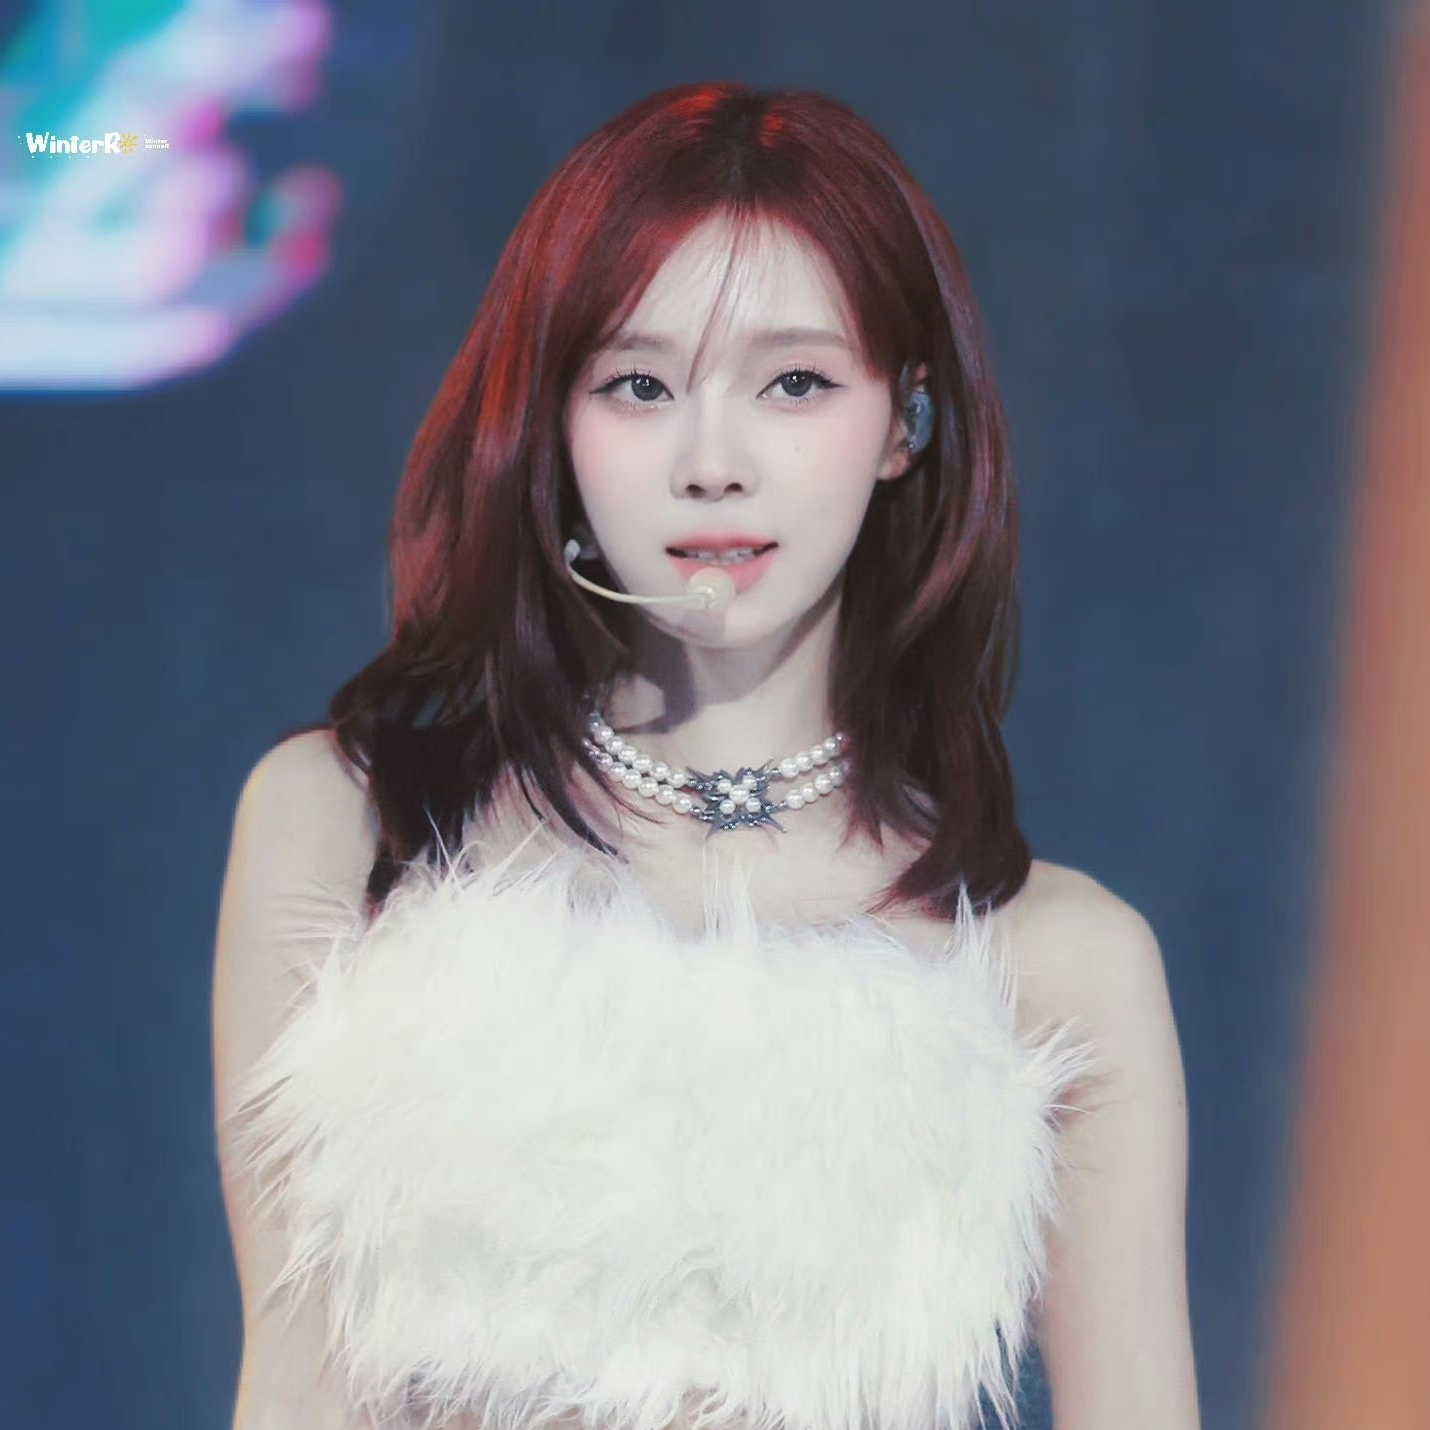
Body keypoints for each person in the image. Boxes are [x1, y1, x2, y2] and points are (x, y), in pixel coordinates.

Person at [212, 82, 1200, 1430]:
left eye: (794, 383)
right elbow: (292, 1384)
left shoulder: (1061, 964)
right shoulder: (345, 828)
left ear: (903, 422)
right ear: (553, 425)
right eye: (639, 384)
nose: (711, 461)